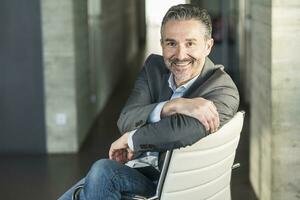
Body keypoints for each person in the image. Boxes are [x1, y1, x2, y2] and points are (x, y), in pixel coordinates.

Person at [58, 4, 239, 200]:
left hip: (170, 184)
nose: (180, 55)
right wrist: (172, 106)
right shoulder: (154, 67)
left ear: (208, 46)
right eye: (171, 43)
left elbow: (179, 131)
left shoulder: (223, 90)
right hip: (137, 169)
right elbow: (126, 119)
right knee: (90, 185)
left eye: (190, 44)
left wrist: (131, 140)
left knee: (102, 172)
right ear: (161, 44)